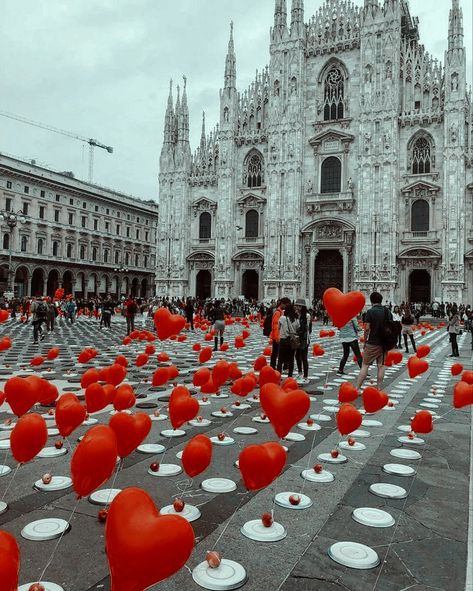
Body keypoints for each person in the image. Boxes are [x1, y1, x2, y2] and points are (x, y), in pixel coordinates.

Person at [356, 292, 393, 390]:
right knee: (381, 366)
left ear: (371, 300)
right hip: (384, 343)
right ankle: (379, 388)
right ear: (381, 300)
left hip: (373, 342)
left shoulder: (370, 312)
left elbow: (367, 328)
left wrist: (365, 341)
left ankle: (357, 388)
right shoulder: (387, 311)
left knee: (365, 365)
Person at [277, 303, 300, 378]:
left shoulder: (282, 318)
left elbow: (278, 327)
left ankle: (278, 376)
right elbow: (297, 329)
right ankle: (290, 376)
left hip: (283, 340)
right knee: (291, 359)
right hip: (292, 341)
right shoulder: (296, 319)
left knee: (280, 360)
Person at [270, 297, 290, 369]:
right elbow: (275, 326)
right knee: (275, 353)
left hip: (279, 336)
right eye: (286, 305)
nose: (286, 307)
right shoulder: (277, 312)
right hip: (277, 337)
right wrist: (277, 338)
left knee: (278, 352)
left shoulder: (281, 312)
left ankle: (277, 366)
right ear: (282, 304)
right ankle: (273, 366)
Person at [295, 298, 311, 384]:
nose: (297, 307)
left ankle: (306, 376)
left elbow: (307, 328)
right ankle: (300, 373)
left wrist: (300, 331)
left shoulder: (307, 316)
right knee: (297, 356)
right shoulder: (296, 315)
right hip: (297, 338)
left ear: (303, 307)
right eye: (296, 305)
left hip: (304, 339)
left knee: (304, 357)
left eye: (299, 306)